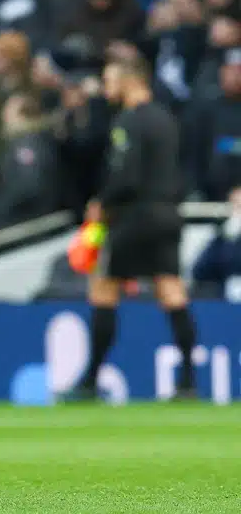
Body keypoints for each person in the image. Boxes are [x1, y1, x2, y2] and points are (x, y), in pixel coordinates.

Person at [62, 54, 199, 402]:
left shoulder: (129, 121)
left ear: (129, 80)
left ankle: (90, 382)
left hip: (134, 217)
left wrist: (102, 204)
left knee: (104, 289)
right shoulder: (166, 119)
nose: (106, 89)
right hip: (168, 213)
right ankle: (187, 382)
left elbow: (127, 176)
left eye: (110, 81)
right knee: (172, 291)